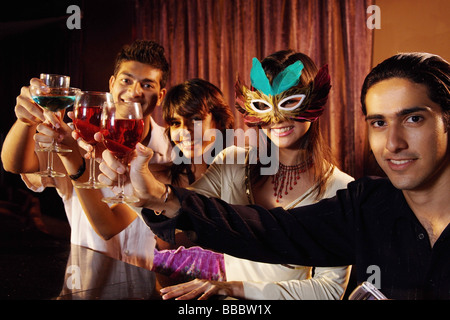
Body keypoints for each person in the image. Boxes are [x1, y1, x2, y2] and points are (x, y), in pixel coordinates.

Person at [102, 52, 450, 300]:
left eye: (413, 118)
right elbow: (205, 226)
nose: (393, 142)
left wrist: (238, 289)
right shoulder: (234, 161)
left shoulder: (345, 192)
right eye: (378, 122)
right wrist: (147, 193)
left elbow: (328, 289)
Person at [1, 40, 171, 269]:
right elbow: (14, 164)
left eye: (147, 85)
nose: (133, 92)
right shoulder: (77, 137)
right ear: (111, 84)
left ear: (161, 96)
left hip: (146, 287)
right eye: (126, 80)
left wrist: (75, 165)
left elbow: (109, 227)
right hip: (84, 285)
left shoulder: (172, 151)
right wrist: (25, 120)